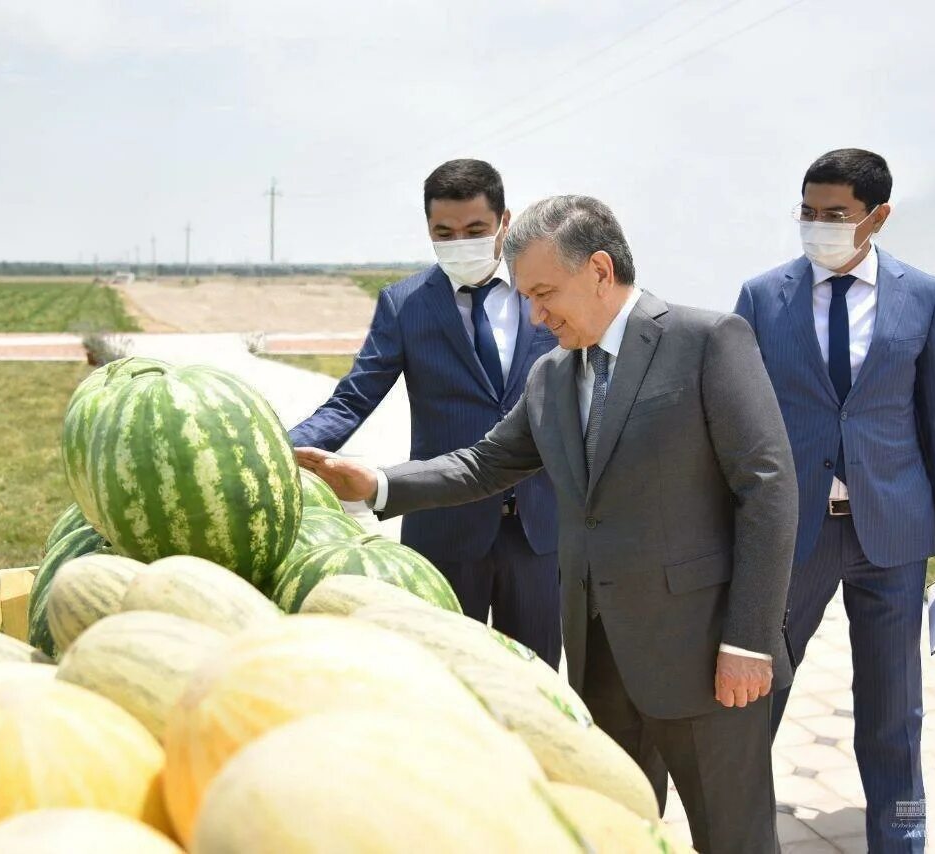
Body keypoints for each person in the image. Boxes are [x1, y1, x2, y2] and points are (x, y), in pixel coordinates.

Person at [299, 195, 797, 854]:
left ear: (597, 269)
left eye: (543, 292)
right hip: (599, 656)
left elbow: (767, 490)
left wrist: (750, 641)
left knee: (733, 840)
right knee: (616, 834)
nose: (534, 313)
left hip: (705, 658)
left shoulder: (705, 341)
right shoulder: (552, 376)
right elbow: (485, 465)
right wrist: (381, 484)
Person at [735, 148, 935, 853]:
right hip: (791, 535)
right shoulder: (762, 297)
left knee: (893, 715)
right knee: (756, 699)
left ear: (877, 216)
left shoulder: (922, 295)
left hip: (894, 538)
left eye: (835, 215)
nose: (817, 226)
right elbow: (731, 417)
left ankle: (900, 842)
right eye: (808, 213)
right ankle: (739, 833)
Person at [287, 159, 562, 667]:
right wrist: (279, 449)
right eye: (445, 233)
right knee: (442, 676)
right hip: (444, 530)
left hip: (539, 532)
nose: (461, 242)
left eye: (475, 230)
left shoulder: (542, 294)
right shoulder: (405, 304)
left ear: (505, 222)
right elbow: (352, 398)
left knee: (537, 679)